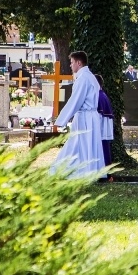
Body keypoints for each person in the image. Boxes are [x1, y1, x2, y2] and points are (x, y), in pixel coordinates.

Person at [51, 51, 105, 179]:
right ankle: (89, 170)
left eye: (72, 62)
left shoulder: (83, 78)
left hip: (85, 117)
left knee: (81, 143)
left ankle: (70, 171)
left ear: (79, 63)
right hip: (89, 116)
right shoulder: (89, 76)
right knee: (87, 144)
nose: (70, 65)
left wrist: (60, 120)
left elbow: (75, 100)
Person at [94, 74, 115, 173]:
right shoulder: (102, 94)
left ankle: (105, 172)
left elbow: (98, 115)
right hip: (104, 126)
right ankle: (107, 171)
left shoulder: (98, 96)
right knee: (104, 147)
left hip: (101, 127)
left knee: (103, 148)